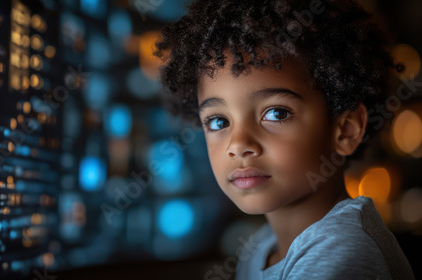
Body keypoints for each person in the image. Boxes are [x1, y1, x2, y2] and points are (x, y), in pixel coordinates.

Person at [153, 0, 415, 279]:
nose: (238, 145)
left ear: (345, 130)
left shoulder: (341, 251)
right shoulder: (260, 247)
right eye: (219, 121)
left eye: (276, 113)